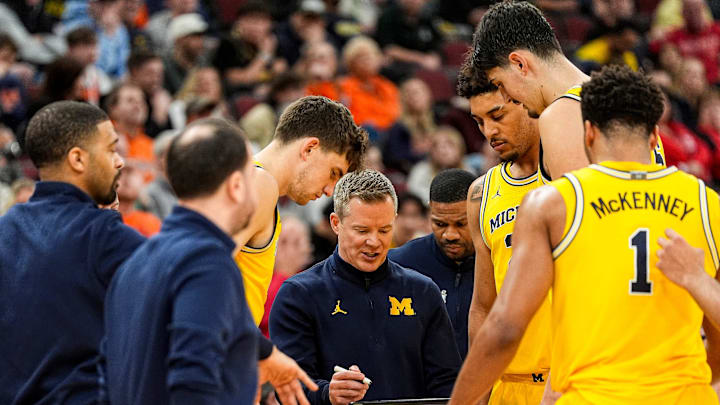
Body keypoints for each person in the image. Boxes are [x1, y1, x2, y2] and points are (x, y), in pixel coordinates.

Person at [448, 65, 720, 405]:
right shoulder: (707, 203)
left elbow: (504, 327)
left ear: (588, 132)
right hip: (684, 395)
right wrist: (698, 280)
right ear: (655, 136)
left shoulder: (554, 203)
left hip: (591, 395)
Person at [104, 118, 313, 404]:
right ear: (237, 185)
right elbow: (193, 383)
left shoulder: (138, 259)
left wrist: (265, 353)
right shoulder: (209, 264)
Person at [270, 170, 461, 405]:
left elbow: (447, 383)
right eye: (362, 231)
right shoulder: (298, 295)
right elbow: (288, 385)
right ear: (336, 223)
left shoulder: (422, 292)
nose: (374, 242)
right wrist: (327, 393)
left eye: (384, 230)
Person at [0, 101, 146, 403]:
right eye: (111, 149)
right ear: (78, 159)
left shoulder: (6, 227)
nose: (119, 161)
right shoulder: (107, 238)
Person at [470, 1, 665, 181]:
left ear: (519, 64)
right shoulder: (625, 98)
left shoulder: (560, 115)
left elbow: (580, 215)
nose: (506, 97)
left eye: (500, 84)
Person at [456, 57, 553, 405]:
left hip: (567, 381)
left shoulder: (570, 174)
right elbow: (483, 306)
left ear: (525, 100)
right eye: (479, 122)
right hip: (509, 385)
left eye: (497, 116)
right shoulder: (480, 194)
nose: (488, 132)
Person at [234, 95, 367, 326]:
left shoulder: (253, 180)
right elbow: (201, 266)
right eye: (333, 173)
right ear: (310, 149)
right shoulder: (260, 184)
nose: (329, 191)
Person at [388, 168, 476, 359]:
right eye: (440, 224)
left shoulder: (500, 261)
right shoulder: (399, 263)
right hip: (421, 387)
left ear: (479, 213)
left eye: (461, 224)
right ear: (429, 214)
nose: (450, 235)